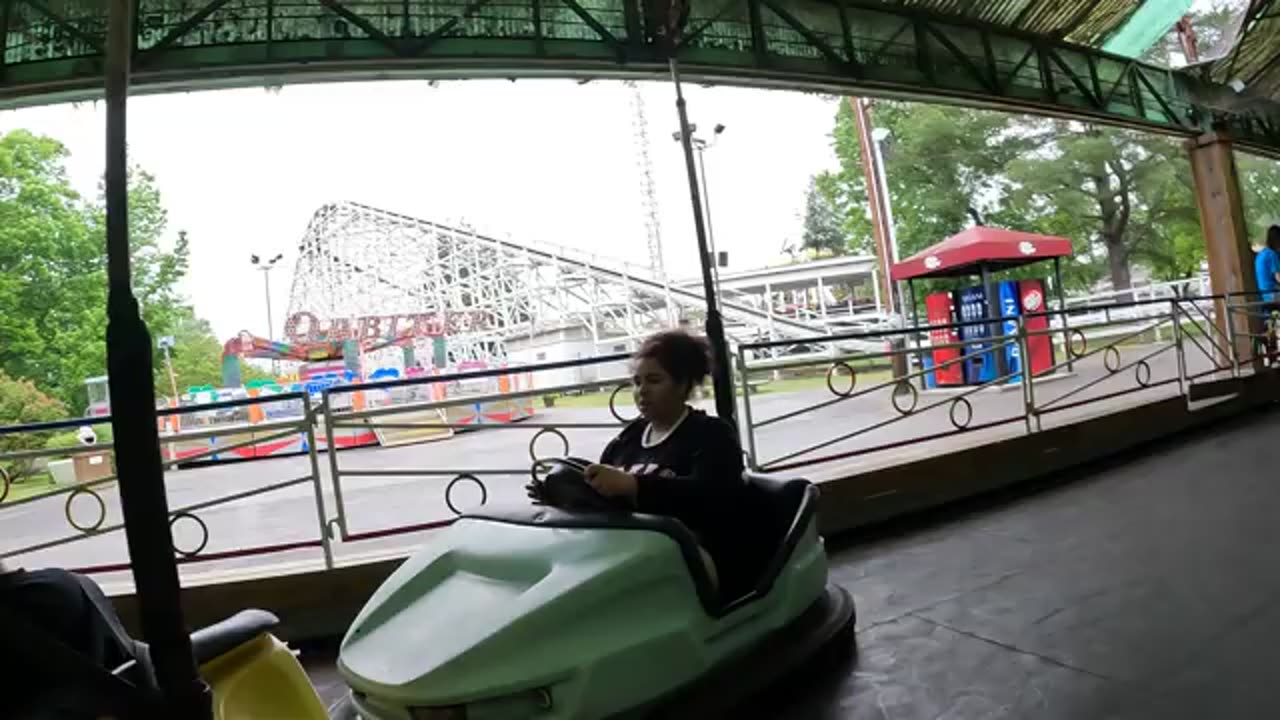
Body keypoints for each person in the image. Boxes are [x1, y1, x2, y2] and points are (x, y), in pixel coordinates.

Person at [580, 330, 747, 595]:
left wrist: (635, 486)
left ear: (683, 385)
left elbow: (713, 499)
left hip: (691, 557)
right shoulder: (627, 441)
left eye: (654, 380)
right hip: (632, 553)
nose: (642, 391)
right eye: (636, 382)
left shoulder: (711, 435)